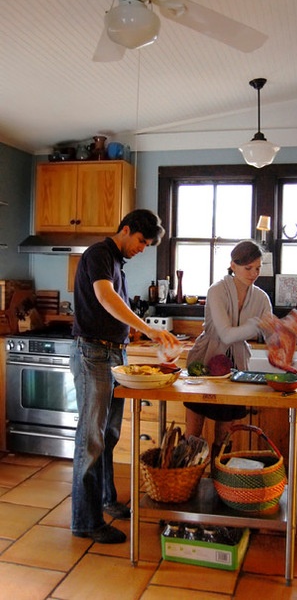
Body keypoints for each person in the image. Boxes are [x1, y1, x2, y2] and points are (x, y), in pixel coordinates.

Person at [70, 209, 180, 544]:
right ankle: (85, 521)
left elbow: (113, 307)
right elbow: (105, 297)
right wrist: (146, 329)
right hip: (93, 354)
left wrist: (131, 335)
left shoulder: (117, 262)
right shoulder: (98, 255)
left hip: (113, 354)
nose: (142, 248)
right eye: (141, 241)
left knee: (110, 434)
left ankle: (106, 500)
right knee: (91, 439)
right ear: (126, 229)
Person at [184, 240, 273, 461]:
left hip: (236, 370)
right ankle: (183, 487)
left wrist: (286, 329)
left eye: (258, 268)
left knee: (224, 437)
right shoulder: (217, 290)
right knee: (192, 434)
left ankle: (220, 487)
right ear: (233, 265)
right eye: (248, 268)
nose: (253, 273)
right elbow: (225, 335)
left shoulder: (261, 298)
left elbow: (272, 337)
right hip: (205, 364)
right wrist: (258, 325)